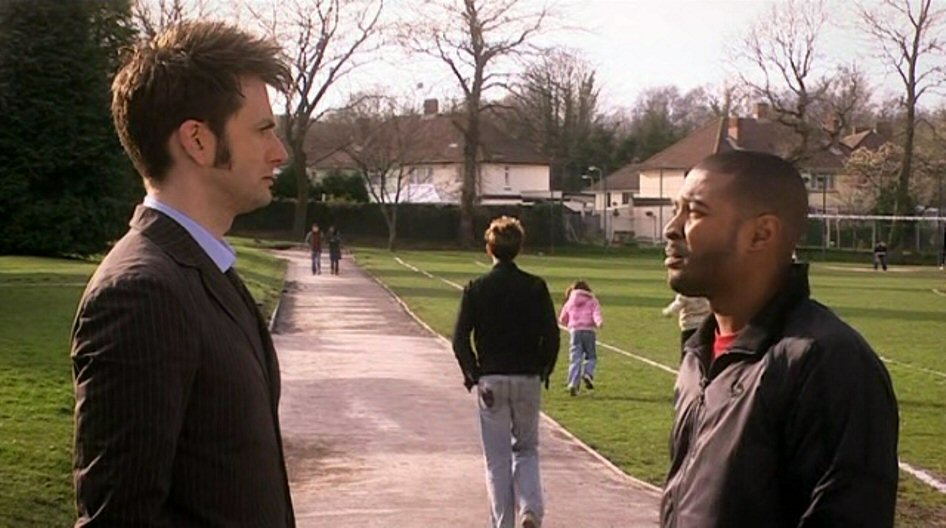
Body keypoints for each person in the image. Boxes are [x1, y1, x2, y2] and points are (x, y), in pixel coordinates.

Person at [70, 21, 295, 526]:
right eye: (262, 130)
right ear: (197, 140)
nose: (279, 152)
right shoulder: (141, 295)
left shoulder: (204, 270)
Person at [661, 150, 899, 527]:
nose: (671, 229)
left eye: (695, 212)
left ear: (762, 234)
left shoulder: (825, 363)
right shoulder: (698, 355)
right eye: (676, 210)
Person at [451, 216, 560, 528]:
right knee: (526, 449)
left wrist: (473, 373)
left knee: (496, 458)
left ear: (489, 249)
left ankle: (503, 523)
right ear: (519, 248)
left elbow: (460, 338)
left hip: (492, 379)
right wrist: (543, 368)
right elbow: (551, 335)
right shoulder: (536, 287)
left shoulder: (476, 288)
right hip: (526, 377)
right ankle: (530, 508)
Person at [558, 280, 602, 396]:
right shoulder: (592, 300)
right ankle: (588, 373)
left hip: (575, 332)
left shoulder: (570, 301)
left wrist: (568, 323)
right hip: (589, 331)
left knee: (575, 358)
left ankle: (573, 383)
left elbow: (562, 318)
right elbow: (596, 314)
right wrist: (599, 322)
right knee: (591, 356)